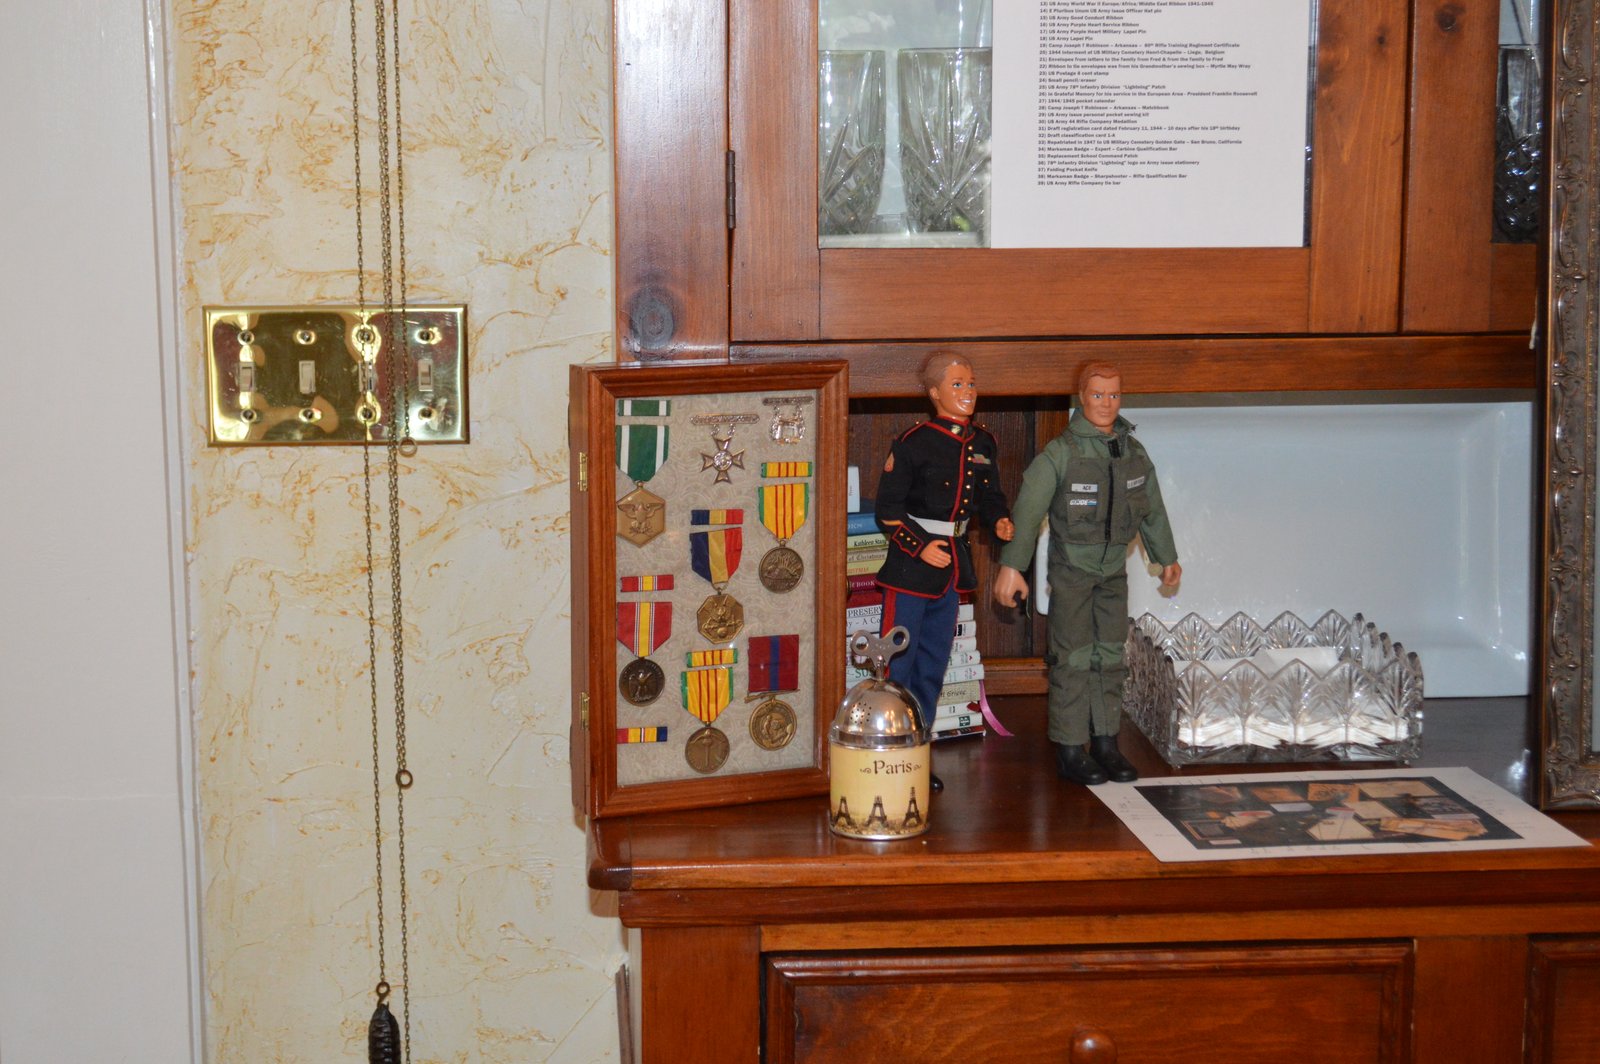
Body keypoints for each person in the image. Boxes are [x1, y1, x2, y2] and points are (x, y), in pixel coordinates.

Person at [992, 362, 1181, 785]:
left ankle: (1106, 742)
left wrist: (1166, 557)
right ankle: (1070, 747)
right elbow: (1027, 511)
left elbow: (1151, 508)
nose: (1106, 403)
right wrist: (1011, 566)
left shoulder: (1133, 453)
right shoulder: (1060, 454)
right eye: (1097, 395)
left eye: (1114, 395)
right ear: (1082, 397)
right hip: (1073, 572)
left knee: (1111, 656)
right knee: (1072, 659)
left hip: (1114, 571)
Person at [876, 353, 1015, 759]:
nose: (968, 392)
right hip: (911, 569)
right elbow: (887, 510)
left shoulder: (983, 442)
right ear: (935, 393)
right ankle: (891, 748)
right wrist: (920, 546)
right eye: (957, 384)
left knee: (934, 663)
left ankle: (917, 749)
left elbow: (989, 495)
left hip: (954, 566)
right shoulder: (914, 442)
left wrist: (998, 519)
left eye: (971, 384)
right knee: (898, 661)